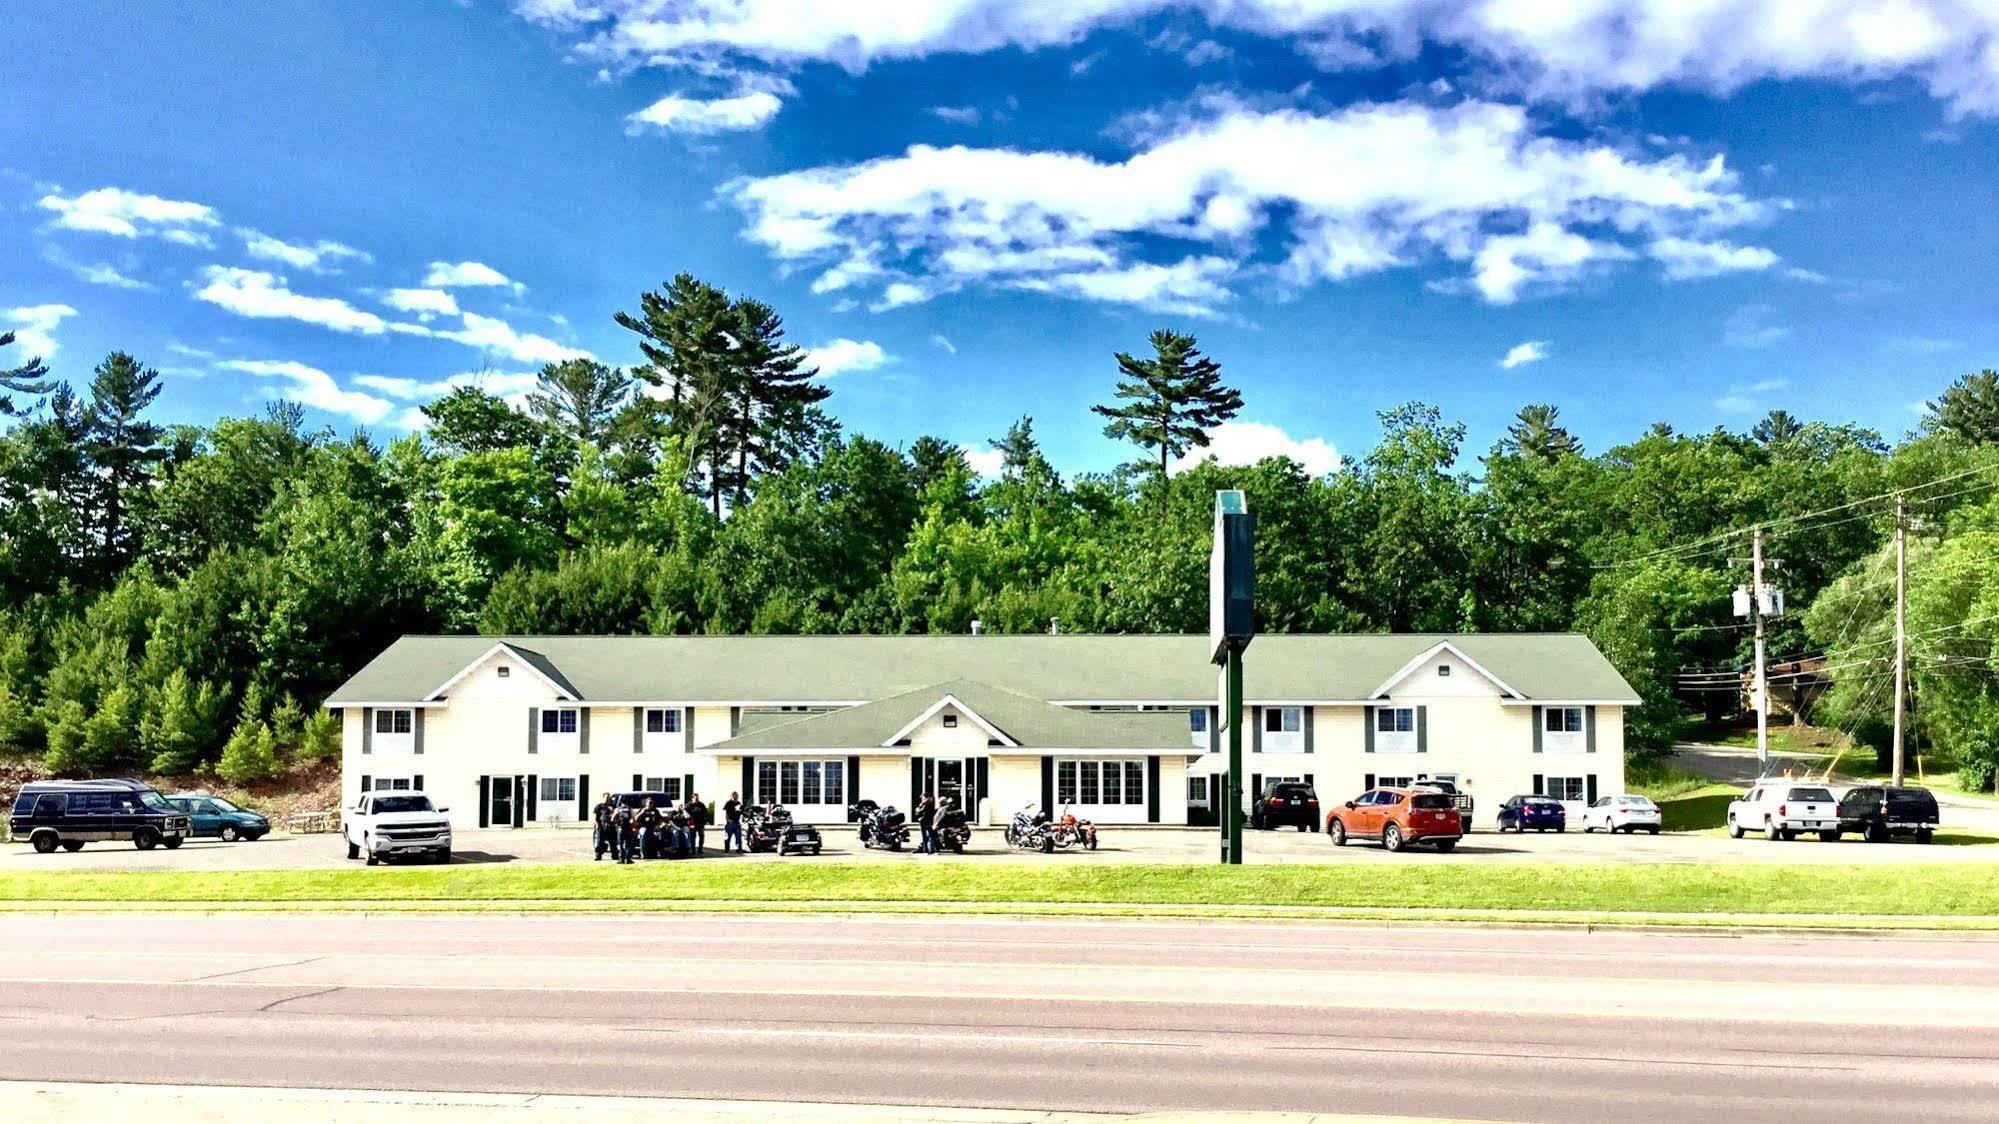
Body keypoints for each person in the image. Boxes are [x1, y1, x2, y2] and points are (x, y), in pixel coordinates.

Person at [591, 792, 616, 861]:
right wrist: (597, 824)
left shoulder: (612, 806)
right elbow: (595, 817)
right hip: (601, 827)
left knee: (613, 842)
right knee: (600, 842)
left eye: (608, 798)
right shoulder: (599, 806)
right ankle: (598, 855)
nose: (607, 799)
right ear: (603, 798)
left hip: (611, 827)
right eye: (606, 798)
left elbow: (616, 815)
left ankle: (615, 855)